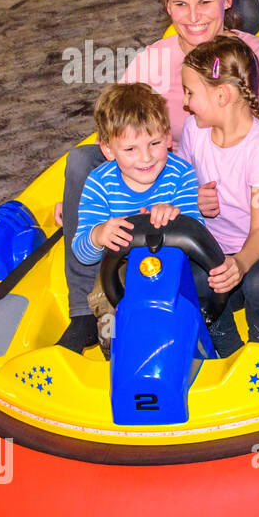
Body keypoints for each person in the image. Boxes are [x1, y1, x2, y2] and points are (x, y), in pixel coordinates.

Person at [57, 0, 259, 352]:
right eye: (180, 4)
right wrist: (80, 197)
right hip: (175, 187)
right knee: (81, 161)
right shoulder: (153, 62)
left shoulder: (258, 56)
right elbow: (115, 132)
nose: (193, 17)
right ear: (166, 5)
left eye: (205, 1)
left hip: (245, 188)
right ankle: (84, 314)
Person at [62, 85, 204, 350]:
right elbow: (82, 253)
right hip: (117, 273)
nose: (146, 158)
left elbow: (198, 231)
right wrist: (97, 235)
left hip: (172, 269)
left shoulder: (181, 174)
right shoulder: (99, 184)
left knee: (198, 290)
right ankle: (114, 351)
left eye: (155, 144)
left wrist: (176, 217)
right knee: (106, 303)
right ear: (108, 150)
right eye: (130, 149)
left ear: (168, 137)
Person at [178, 36, 259, 356]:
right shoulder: (193, 130)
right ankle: (228, 351)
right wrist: (193, 198)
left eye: (190, 93)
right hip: (213, 247)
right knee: (189, 279)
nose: (185, 102)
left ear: (222, 95)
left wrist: (240, 264)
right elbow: (179, 183)